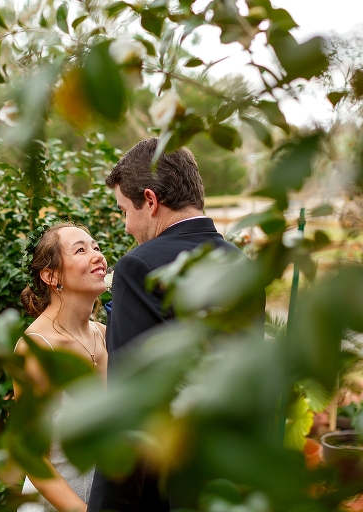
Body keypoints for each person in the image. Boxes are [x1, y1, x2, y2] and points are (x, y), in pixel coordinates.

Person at [88, 138, 263, 512]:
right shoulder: (242, 266)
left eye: (124, 211)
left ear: (150, 202)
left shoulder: (140, 267)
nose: (126, 226)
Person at [15, 222, 109, 512]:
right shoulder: (38, 347)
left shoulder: (105, 334)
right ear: (51, 275)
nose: (97, 255)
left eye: (96, 246)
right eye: (80, 250)